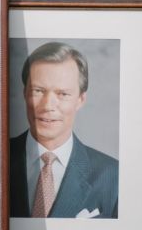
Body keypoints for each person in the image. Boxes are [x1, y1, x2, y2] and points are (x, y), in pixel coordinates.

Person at [10, 42, 118, 219]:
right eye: (38, 91)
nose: (48, 106)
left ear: (80, 99)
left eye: (63, 94)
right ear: (24, 94)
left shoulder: (113, 176)